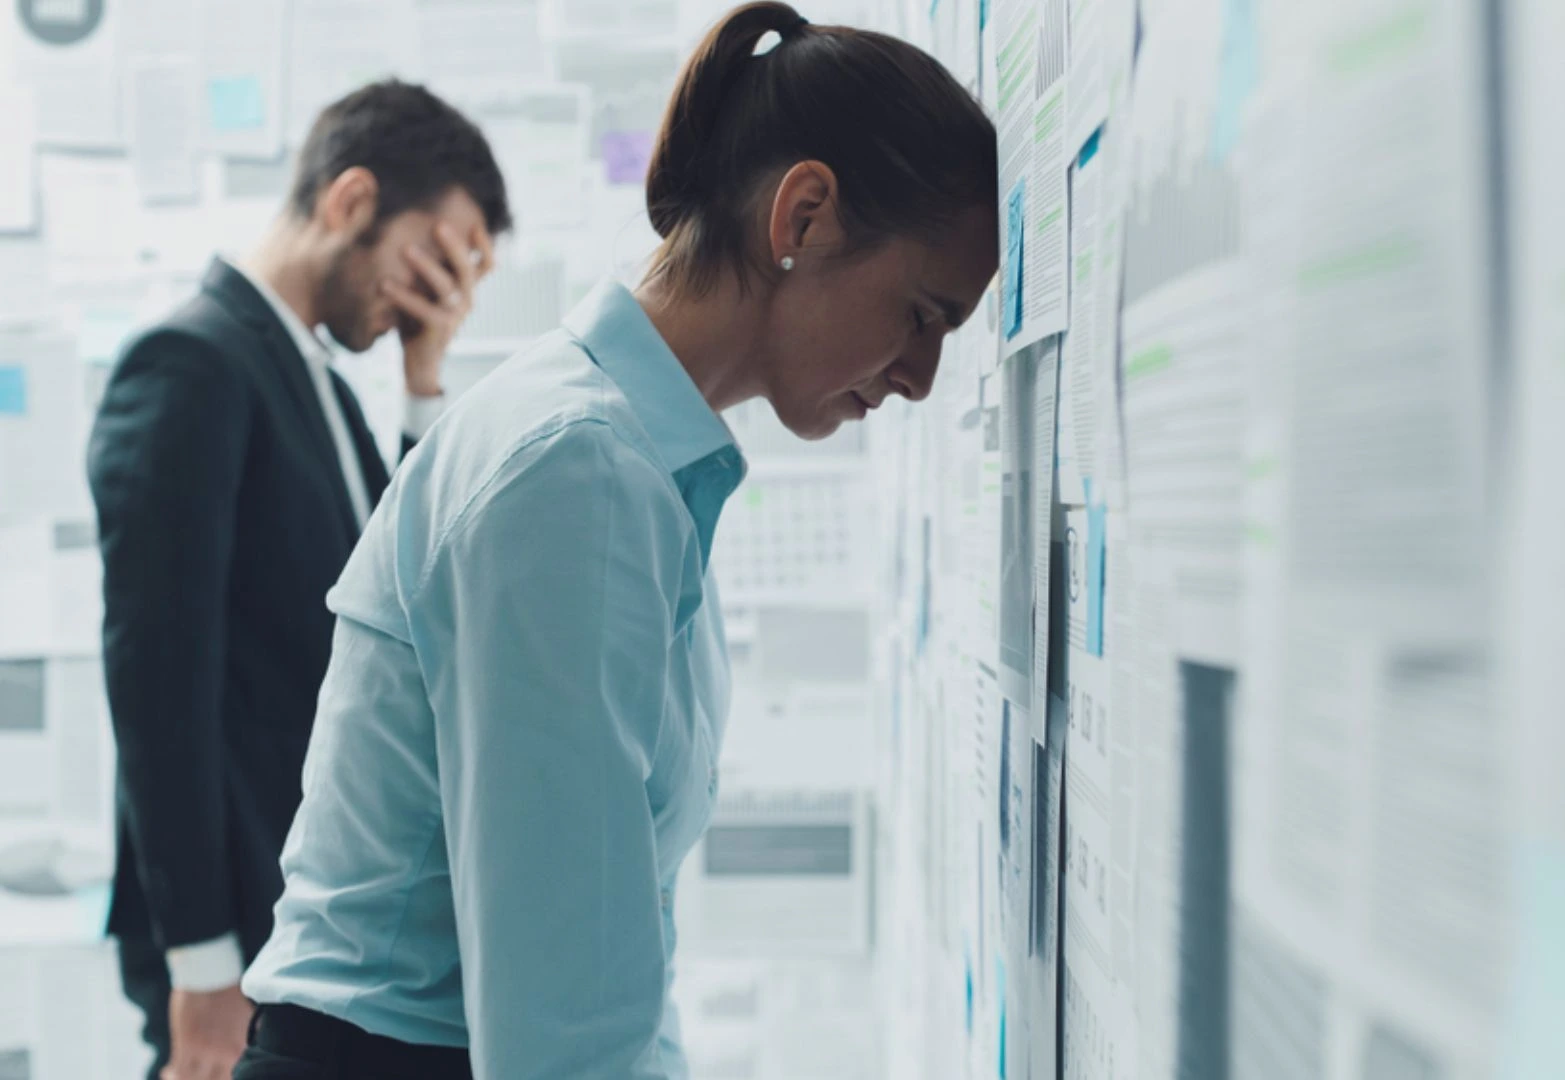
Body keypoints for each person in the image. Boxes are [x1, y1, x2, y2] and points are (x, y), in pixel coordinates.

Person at [233, 3, 999, 1077]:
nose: (921, 378)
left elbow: (607, 961)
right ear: (806, 215)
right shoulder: (575, 472)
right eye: (922, 314)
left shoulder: (630, 459)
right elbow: (562, 1032)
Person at [87, 81, 510, 1080]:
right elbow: (157, 690)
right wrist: (200, 968)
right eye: (435, 254)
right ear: (351, 200)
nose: (440, 292)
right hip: (230, 940)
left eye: (465, 275)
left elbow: (400, 590)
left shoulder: (309, 374)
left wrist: (422, 375)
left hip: (306, 931)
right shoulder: (192, 362)